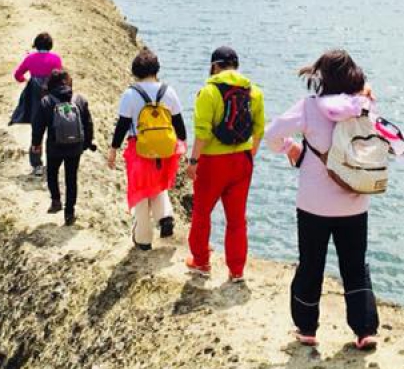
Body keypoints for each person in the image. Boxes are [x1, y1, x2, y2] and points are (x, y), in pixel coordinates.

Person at [264, 49, 404, 351]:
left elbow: (273, 134)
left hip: (313, 204)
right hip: (355, 202)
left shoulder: (308, 107)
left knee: (311, 264)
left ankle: (307, 328)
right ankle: (365, 329)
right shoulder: (364, 107)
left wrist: (292, 149)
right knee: (355, 266)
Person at [186, 46, 265, 281]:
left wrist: (193, 161)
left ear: (214, 66)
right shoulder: (254, 92)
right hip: (242, 160)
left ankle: (201, 262)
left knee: (201, 213)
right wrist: (249, 154)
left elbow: (203, 133)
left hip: (212, 162)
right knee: (237, 218)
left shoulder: (208, 92)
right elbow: (259, 130)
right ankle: (237, 270)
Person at [110, 48, 187, 250]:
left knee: (141, 192)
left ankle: (143, 239)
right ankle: (165, 215)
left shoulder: (131, 94)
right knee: (158, 183)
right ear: (156, 69)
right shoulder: (168, 91)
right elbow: (179, 124)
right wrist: (183, 144)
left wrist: (113, 149)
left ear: (135, 71)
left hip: (140, 149)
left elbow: (122, 126)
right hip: (166, 149)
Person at [40, 69, 94, 226]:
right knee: (71, 178)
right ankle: (69, 212)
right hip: (75, 146)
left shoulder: (47, 101)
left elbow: (39, 125)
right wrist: (87, 143)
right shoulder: (80, 100)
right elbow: (88, 124)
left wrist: (36, 142)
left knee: (52, 172)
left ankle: (56, 200)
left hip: (54, 145)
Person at [10, 32, 65, 177]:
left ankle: (37, 165)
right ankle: (52, 163)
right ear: (50, 45)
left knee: (37, 133)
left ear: (36, 45)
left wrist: (25, 80)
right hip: (52, 99)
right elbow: (59, 77)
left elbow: (17, 75)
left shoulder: (30, 58)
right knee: (53, 133)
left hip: (35, 101)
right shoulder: (56, 59)